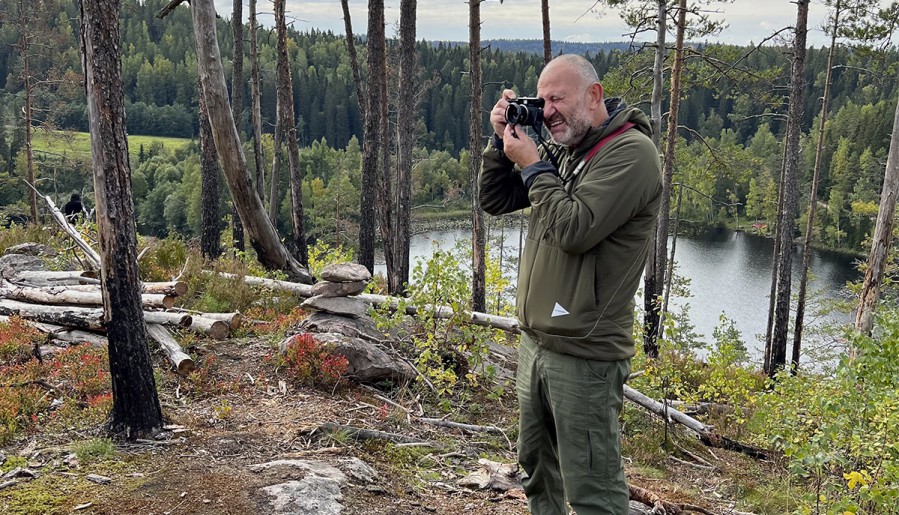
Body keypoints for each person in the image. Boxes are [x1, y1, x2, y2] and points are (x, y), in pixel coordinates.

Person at [479, 54, 662, 514]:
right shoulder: (567, 150)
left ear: (593, 95)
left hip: (584, 352)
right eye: (541, 101)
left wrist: (533, 165)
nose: (547, 111)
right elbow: (495, 199)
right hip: (537, 342)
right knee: (536, 469)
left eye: (557, 99)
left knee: (592, 488)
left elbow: (574, 229)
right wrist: (501, 143)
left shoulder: (631, 154)